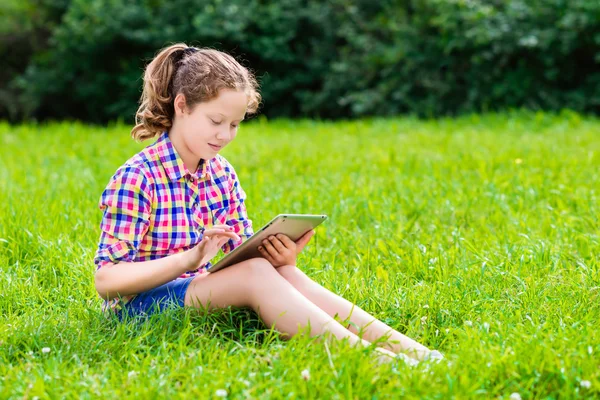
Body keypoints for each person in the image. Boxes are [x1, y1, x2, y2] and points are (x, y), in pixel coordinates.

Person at [93, 43, 443, 364]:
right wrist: (190, 258)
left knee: (280, 270)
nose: (225, 135)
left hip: (203, 288)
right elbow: (107, 280)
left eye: (234, 124)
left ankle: (417, 353)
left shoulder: (221, 174)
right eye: (216, 121)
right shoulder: (139, 177)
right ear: (181, 105)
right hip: (139, 308)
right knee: (255, 273)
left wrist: (278, 256)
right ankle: (374, 360)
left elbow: (240, 252)